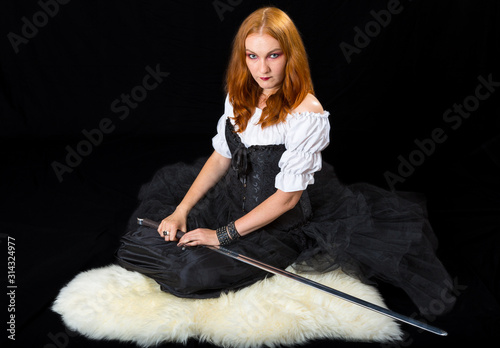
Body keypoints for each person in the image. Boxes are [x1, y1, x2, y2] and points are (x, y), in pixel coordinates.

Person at [115, 7, 456, 314]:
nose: (262, 69)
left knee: (191, 274)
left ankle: (212, 260)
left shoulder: (306, 113)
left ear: (290, 55)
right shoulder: (239, 97)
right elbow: (221, 157)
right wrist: (182, 210)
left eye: (273, 55)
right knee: (135, 244)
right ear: (243, 57)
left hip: (279, 226)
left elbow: (287, 198)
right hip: (232, 206)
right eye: (252, 56)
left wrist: (220, 236)